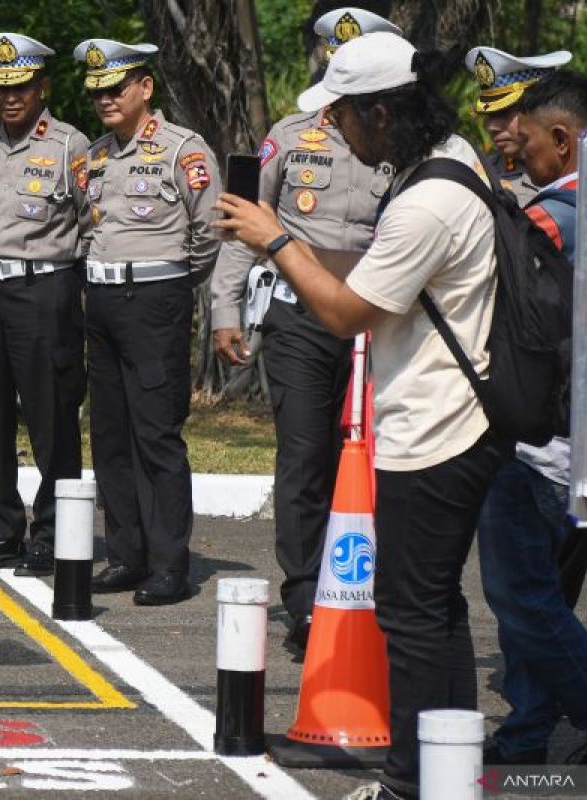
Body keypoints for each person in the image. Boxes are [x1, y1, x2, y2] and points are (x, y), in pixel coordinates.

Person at [216, 32, 508, 799]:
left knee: (411, 616)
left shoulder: (429, 201)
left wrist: (272, 236)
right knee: (431, 608)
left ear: (380, 114)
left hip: (437, 429)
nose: (334, 130)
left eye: (341, 114)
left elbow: (346, 312)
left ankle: (414, 781)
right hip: (446, 418)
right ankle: (443, 771)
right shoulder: (448, 162)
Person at [209, 6, 400, 654]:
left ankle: (374, 592)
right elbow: (245, 223)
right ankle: (307, 599)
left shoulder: (399, 143)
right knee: (304, 457)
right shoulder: (289, 136)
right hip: (299, 317)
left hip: (379, 322)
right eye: (328, 54)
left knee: (382, 459)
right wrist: (224, 306)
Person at [477, 69, 587, 768]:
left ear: (562, 140)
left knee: (518, 592)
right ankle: (528, 730)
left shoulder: (555, 214)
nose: (514, 149)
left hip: (545, 435)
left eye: (523, 139)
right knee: (542, 594)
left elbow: (494, 285)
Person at [74, 38, 221, 606]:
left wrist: (175, 285)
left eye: (115, 89)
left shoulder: (183, 149)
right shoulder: (96, 155)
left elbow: (208, 231)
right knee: (109, 434)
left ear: (144, 88)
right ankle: (127, 554)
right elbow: (89, 229)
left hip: (156, 298)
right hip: (104, 301)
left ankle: (169, 564)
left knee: (157, 434)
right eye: (96, 92)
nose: (105, 100)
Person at [0, 34, 89, 577]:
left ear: (42, 88)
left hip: (44, 289)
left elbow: (87, 219)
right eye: (0, 88)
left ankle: (51, 533)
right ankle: (2, 530)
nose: (11, 98)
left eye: (22, 88)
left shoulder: (70, 145)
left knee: (51, 414)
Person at [464, 45, 571, 206]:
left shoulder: (583, 168)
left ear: (541, 109)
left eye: (504, 112)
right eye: (489, 115)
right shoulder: (481, 173)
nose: (491, 127)